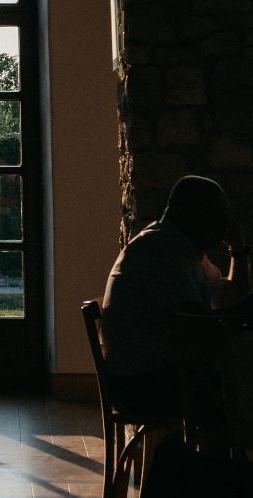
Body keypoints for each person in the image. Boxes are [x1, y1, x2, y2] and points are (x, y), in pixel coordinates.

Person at [101, 175, 250, 424]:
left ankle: (221, 454)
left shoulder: (184, 249)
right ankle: (222, 454)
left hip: (157, 375)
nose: (225, 225)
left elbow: (228, 300)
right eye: (217, 215)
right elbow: (199, 330)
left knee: (236, 382)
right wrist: (246, 309)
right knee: (236, 386)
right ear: (187, 213)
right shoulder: (161, 252)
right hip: (143, 386)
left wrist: (238, 251)